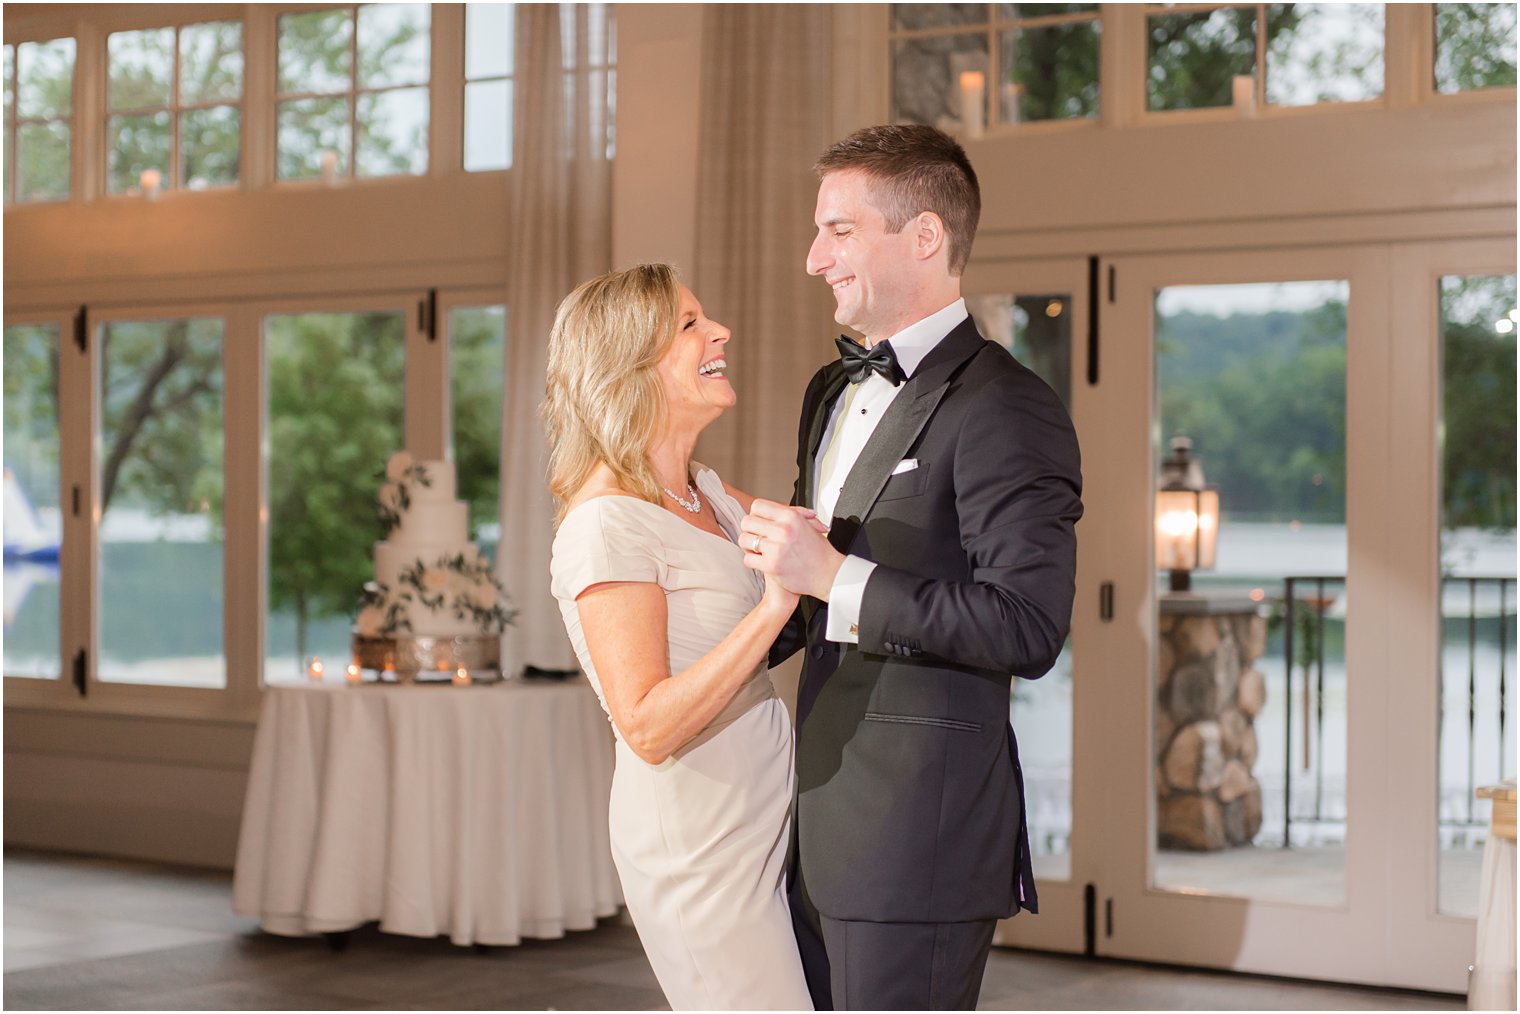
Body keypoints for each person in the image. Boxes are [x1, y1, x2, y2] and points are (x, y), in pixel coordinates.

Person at [739, 124, 1084, 1010]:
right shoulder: (829, 389)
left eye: (840, 231)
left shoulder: (1008, 405)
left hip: (916, 845)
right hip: (813, 822)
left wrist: (834, 577)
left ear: (924, 237)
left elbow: (1028, 624)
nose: (815, 258)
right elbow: (804, 595)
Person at [545, 263, 815, 1011]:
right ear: (630, 367)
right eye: (690, 324)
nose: (719, 330)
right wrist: (771, 609)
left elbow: (824, 543)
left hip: (761, 819)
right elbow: (647, 723)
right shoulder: (607, 524)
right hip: (698, 844)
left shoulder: (711, 494)